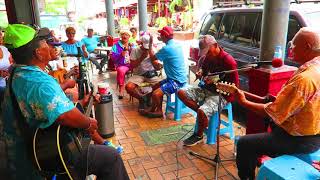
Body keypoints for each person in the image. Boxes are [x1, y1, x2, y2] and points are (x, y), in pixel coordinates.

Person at [1, 24, 129, 180]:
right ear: (38, 53)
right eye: (44, 42)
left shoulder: (18, 71)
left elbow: (49, 108)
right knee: (111, 157)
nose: (49, 45)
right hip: (42, 156)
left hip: (30, 150)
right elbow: (65, 116)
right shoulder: (38, 82)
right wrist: (87, 123)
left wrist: (81, 105)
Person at [220, 27, 320, 180]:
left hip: (298, 140)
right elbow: (308, 103)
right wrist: (279, 101)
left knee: (245, 144)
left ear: (307, 47)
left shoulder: (305, 78)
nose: (291, 49)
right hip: (313, 134)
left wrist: (244, 101)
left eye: (294, 45)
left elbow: (270, 112)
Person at [178, 35, 239, 146]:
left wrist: (215, 82)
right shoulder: (208, 57)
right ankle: (201, 114)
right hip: (206, 89)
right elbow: (204, 71)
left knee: (203, 111)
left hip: (221, 95)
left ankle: (198, 135)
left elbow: (234, 87)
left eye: (208, 52)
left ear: (215, 45)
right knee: (181, 92)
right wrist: (201, 73)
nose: (207, 55)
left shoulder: (229, 61)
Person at [142, 26, 188, 118]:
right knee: (155, 87)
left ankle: (158, 111)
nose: (160, 36)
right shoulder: (176, 45)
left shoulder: (167, 49)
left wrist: (150, 44)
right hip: (173, 78)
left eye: (161, 34)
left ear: (165, 36)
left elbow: (153, 58)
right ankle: (154, 109)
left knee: (156, 93)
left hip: (177, 81)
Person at [125, 32, 163, 110]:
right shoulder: (135, 50)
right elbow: (133, 66)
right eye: (145, 47)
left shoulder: (153, 50)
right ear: (141, 43)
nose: (146, 49)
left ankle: (148, 97)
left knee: (161, 85)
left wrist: (156, 63)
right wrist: (142, 57)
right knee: (128, 87)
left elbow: (157, 67)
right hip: (138, 75)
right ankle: (141, 99)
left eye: (148, 47)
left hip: (151, 74)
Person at [111, 29, 133, 99]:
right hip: (122, 65)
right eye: (123, 34)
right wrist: (121, 54)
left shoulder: (132, 45)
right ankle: (121, 89)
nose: (125, 36)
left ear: (129, 37)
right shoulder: (116, 46)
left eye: (127, 35)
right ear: (121, 36)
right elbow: (113, 57)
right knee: (121, 70)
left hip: (132, 64)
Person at [0, 30, 13, 103]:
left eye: (0, 31)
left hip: (4, 84)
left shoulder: (4, 49)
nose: (0, 34)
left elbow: (11, 64)